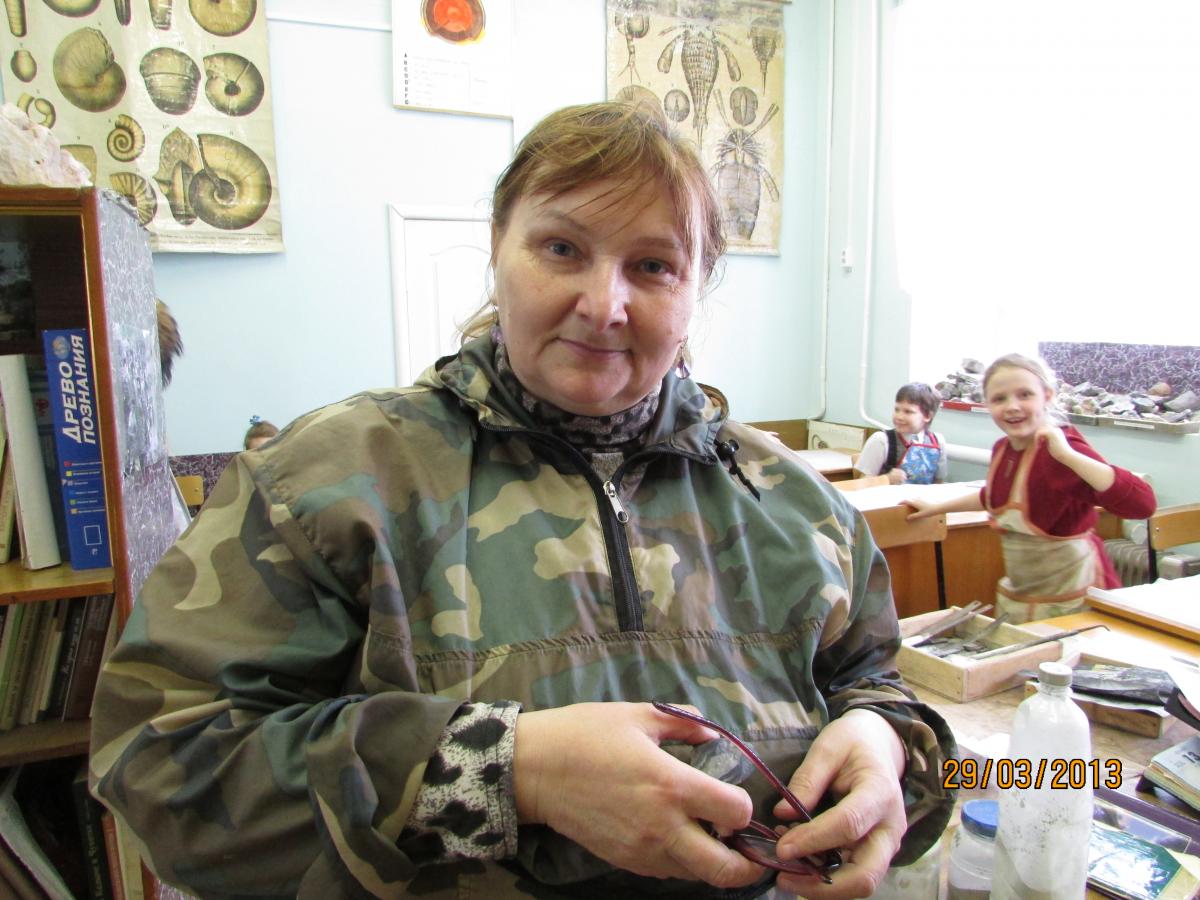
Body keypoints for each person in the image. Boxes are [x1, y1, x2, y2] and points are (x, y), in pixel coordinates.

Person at [89, 101, 955, 900]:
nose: (603, 305)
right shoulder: (324, 485)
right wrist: (509, 772)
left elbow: (875, 689)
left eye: (653, 266)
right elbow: (163, 768)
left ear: (696, 290)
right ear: (498, 247)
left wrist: (888, 748)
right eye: (562, 249)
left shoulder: (798, 505)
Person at [906, 353, 1155, 624]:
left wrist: (1068, 455)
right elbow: (994, 497)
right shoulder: (1003, 449)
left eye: (1025, 395)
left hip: (1075, 599)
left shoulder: (1061, 449)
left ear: (1047, 396)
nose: (1012, 407)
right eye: (999, 399)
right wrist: (935, 509)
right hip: (1027, 595)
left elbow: (1143, 504)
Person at [854, 383, 946, 485]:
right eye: (897, 409)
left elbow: (939, 482)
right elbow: (861, 483)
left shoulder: (937, 442)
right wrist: (886, 479)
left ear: (927, 416)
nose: (899, 416)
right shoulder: (881, 440)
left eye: (908, 412)